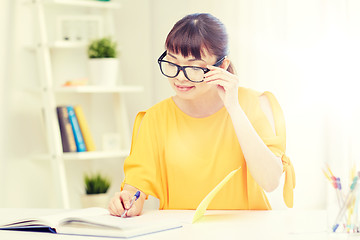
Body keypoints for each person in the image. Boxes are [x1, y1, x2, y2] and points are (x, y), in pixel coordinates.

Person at [108, 13, 295, 217]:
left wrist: (233, 107)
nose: (179, 77)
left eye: (194, 67)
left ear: (221, 66)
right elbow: (136, 188)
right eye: (172, 62)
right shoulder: (155, 118)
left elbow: (270, 182)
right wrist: (126, 201)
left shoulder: (255, 104)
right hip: (182, 232)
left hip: (246, 231)